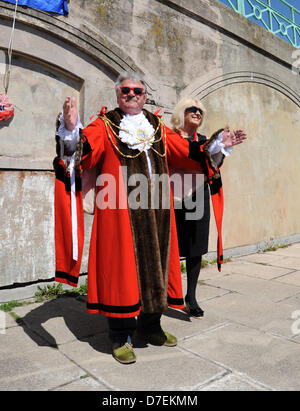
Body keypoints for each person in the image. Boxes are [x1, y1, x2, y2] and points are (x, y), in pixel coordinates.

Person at [53, 72, 244, 364]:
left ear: (144, 96)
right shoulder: (105, 125)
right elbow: (84, 154)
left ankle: (151, 326)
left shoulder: (156, 125)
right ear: (118, 95)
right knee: (122, 273)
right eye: (126, 90)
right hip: (119, 213)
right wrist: (70, 128)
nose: (132, 94)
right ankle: (121, 336)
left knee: (157, 267)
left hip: (157, 212)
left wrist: (218, 144)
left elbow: (185, 151)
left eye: (137, 91)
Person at [170, 96, 247, 318]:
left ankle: (191, 297)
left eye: (200, 111)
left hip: (198, 197)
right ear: (181, 113)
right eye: (192, 109)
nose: (197, 113)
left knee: (196, 249)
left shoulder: (204, 140)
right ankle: (168, 293)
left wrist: (222, 148)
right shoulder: (170, 138)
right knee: (170, 248)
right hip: (172, 198)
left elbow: (211, 164)